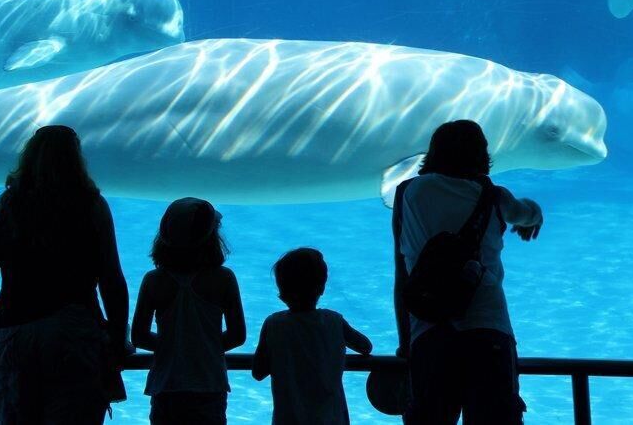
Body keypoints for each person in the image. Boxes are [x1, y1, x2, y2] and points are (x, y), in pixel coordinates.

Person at [0, 125, 130, 424]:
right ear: (76, 159)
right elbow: (112, 281)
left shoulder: (6, 206)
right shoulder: (92, 206)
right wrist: (120, 340)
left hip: (12, 334)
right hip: (74, 335)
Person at [393, 120, 541, 424]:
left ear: (433, 152)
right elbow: (528, 213)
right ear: (482, 155)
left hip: (430, 328)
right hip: (488, 328)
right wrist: (533, 216)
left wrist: (406, 343)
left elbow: (402, 276)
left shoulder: (407, 193)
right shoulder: (494, 196)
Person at [132, 197, 246, 425]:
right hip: (209, 384)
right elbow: (237, 335)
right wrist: (204, 347)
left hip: (166, 384)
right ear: (212, 238)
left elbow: (139, 336)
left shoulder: (154, 281)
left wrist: (173, 347)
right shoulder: (223, 278)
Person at [252, 248, 373, 425]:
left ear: (282, 290)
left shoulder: (274, 324)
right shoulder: (334, 321)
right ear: (321, 287)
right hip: (332, 419)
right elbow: (365, 346)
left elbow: (258, 372)